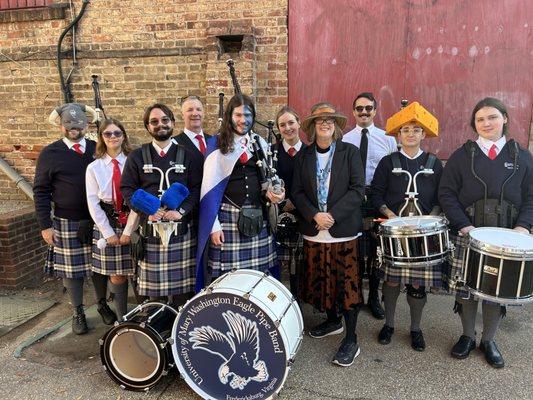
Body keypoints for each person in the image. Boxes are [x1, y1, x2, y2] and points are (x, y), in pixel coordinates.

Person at [439, 97, 533, 368]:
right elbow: (446, 193)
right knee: (467, 290)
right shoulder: (461, 156)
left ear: (504, 118)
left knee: (495, 291)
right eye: (480, 119)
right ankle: (468, 336)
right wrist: (462, 225)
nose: (486, 123)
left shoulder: (522, 156)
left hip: (507, 238)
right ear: (474, 124)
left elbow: (530, 197)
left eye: (492, 117)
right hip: (468, 235)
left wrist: (522, 228)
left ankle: (489, 340)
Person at [292, 102, 365, 367]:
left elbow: (358, 189)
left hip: (342, 230)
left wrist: (331, 215)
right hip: (315, 230)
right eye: (320, 120)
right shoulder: (304, 156)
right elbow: (297, 192)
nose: (325, 123)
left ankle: (351, 339)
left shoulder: (350, 153)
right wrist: (314, 214)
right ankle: (333, 321)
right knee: (323, 281)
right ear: (312, 127)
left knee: (347, 286)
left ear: (335, 127)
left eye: (330, 120)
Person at [371, 102, 443, 351]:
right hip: (394, 232)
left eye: (415, 130)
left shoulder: (434, 164)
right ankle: (389, 325)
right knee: (391, 281)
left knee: (417, 283)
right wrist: (390, 215)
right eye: (405, 130)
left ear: (424, 134)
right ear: (397, 135)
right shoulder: (387, 162)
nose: (410, 134)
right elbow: (376, 195)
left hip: (423, 235)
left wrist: (429, 222)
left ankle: (415, 329)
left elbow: (440, 199)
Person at [194, 94, 284, 290]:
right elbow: (208, 189)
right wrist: (214, 226)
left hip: (258, 216)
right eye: (238, 115)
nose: (244, 120)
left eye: (248, 114)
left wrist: (273, 192)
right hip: (227, 218)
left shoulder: (259, 142)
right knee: (229, 278)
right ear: (229, 116)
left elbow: (267, 177)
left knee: (259, 275)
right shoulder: (217, 143)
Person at [120, 103, 203, 306]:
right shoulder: (137, 156)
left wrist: (181, 211)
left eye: (165, 120)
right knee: (155, 296)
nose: (160, 125)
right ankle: (160, 329)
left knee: (184, 293)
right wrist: (146, 210)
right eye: (154, 122)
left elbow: (197, 189)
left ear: (173, 123)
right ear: (148, 127)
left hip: (181, 231)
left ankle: (179, 329)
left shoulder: (190, 155)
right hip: (150, 232)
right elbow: (127, 190)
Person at [34, 103, 99, 334]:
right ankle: (77, 312)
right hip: (65, 221)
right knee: (72, 272)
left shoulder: (97, 148)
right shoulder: (50, 153)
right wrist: (45, 226)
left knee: (101, 268)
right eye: (68, 124)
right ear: (60, 125)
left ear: (87, 124)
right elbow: (41, 190)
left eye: (79, 123)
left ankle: (101, 305)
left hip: (99, 220)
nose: (74, 128)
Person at [343, 92, 396, 319]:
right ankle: (357, 296)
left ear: (375, 110)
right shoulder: (345, 140)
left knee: (376, 251)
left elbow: (393, 172)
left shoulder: (388, 138)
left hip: (378, 199)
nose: (363, 112)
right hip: (354, 199)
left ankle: (374, 296)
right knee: (355, 249)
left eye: (368, 108)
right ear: (353, 111)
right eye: (359, 109)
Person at [85, 118, 138, 321]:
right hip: (107, 221)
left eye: (117, 133)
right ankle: (122, 319)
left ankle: (142, 317)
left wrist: (128, 231)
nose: (113, 137)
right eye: (108, 134)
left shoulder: (135, 162)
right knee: (117, 274)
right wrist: (108, 233)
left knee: (138, 273)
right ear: (101, 138)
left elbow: (139, 198)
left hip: (133, 219)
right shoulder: (94, 167)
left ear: (123, 136)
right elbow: (92, 202)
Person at [273, 106, 306, 297]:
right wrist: (281, 201)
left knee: (299, 263)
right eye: (282, 125)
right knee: (278, 261)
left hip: (303, 213)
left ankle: (299, 301)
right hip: (278, 213)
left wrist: (294, 201)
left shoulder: (310, 152)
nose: (288, 128)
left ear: (299, 123)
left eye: (291, 122)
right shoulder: (272, 152)